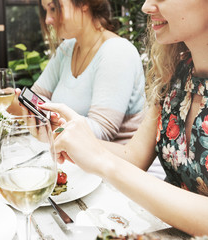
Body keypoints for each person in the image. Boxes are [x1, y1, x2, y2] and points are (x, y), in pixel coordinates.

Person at [39, 0, 208, 236]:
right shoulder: (176, 72)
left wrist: (103, 161)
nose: (146, 6)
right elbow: (133, 156)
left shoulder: (116, 51)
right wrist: (76, 137)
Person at [8, 0, 146, 144]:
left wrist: (52, 117)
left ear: (84, 3)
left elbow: (101, 133)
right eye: (46, 11)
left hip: (110, 162)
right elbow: (35, 98)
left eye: (54, 8)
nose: (47, 19)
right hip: (73, 158)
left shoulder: (117, 51)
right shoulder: (67, 48)